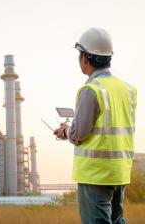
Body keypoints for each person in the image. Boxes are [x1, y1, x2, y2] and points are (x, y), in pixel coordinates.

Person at [54, 27, 137, 224]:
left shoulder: (90, 90)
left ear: (86, 57)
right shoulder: (128, 89)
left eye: (80, 54)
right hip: (120, 172)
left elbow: (79, 133)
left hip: (95, 175)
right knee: (117, 220)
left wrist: (65, 130)